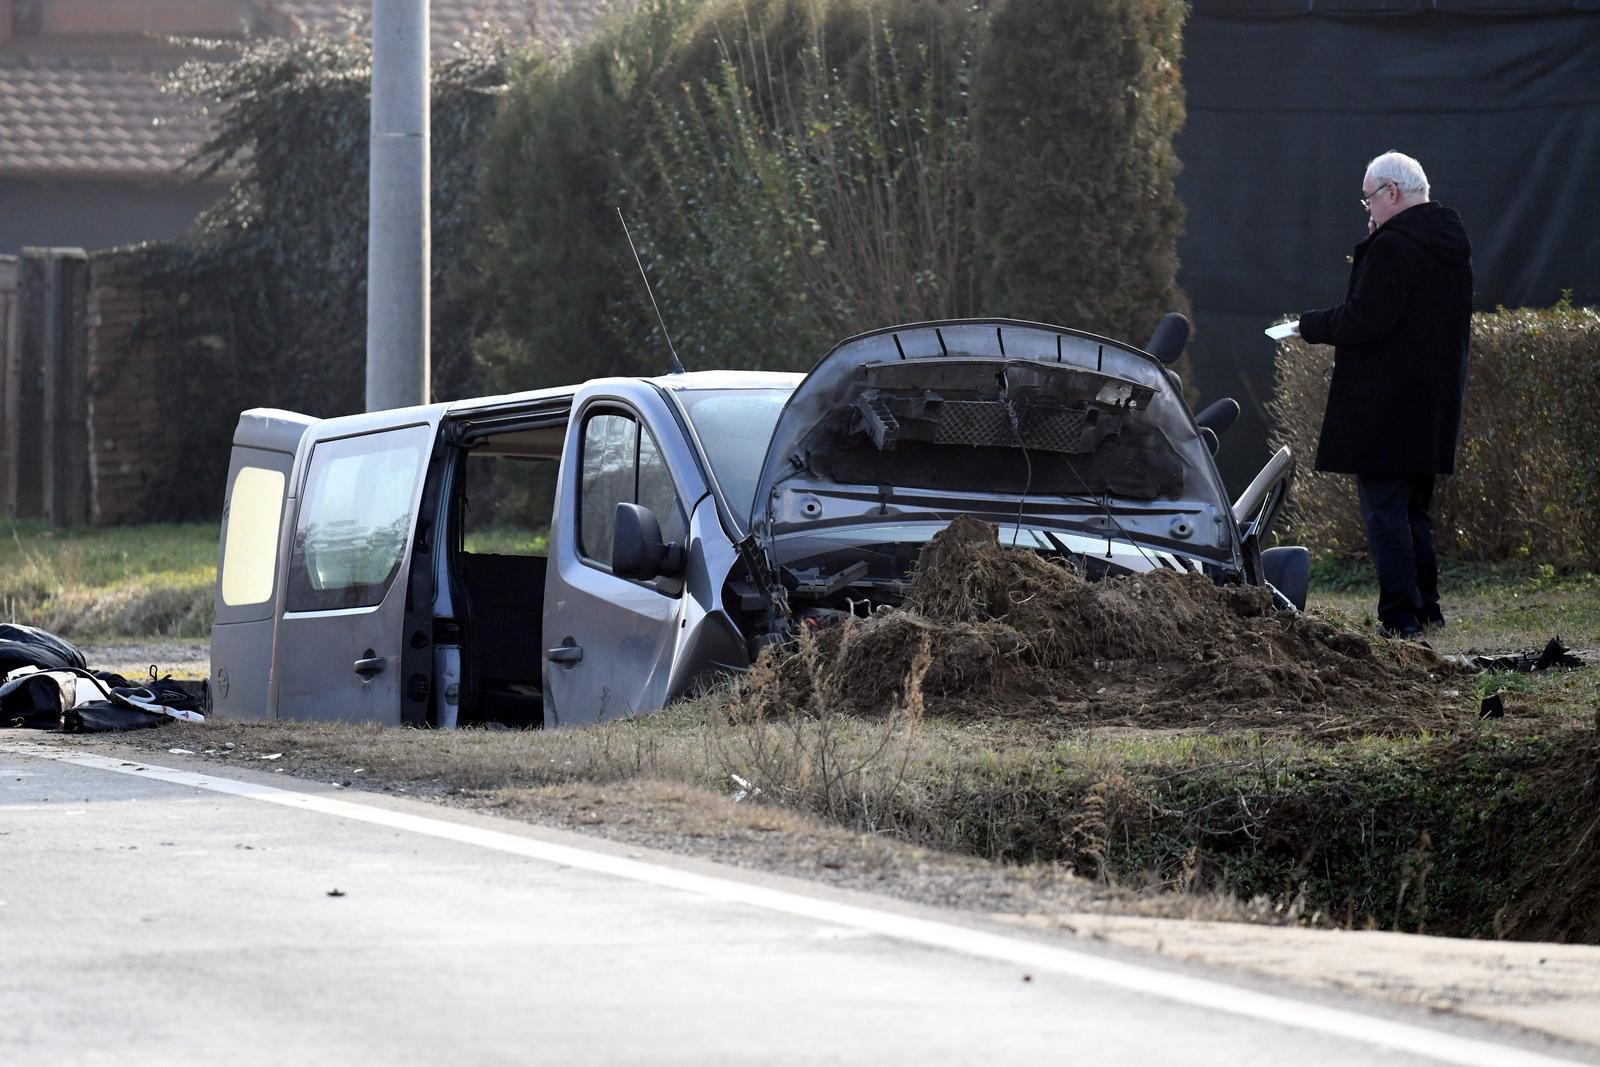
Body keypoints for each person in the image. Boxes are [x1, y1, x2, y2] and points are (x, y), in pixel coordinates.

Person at [1292, 151, 1473, 639]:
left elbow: (1364, 319)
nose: (1367, 210)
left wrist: (1306, 326)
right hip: (1431, 404)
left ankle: (1399, 617)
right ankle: (1426, 609)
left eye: (1368, 198)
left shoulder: (1394, 247)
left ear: (1391, 193)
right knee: (1412, 509)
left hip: (1385, 406)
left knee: (1385, 512)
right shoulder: (1448, 242)